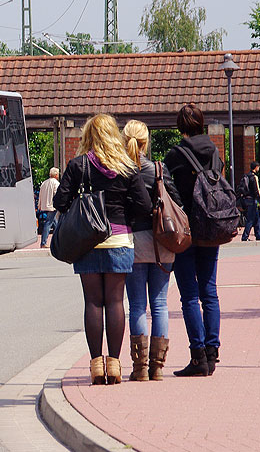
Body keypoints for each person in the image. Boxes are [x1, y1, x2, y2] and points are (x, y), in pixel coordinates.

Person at [53, 114, 151, 385]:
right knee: (116, 302)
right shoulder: (127, 166)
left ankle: (97, 365)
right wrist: (125, 217)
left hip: (86, 241)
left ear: (89, 136)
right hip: (119, 239)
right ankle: (115, 364)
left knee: (93, 302)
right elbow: (144, 206)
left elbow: (59, 201)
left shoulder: (78, 165)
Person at [164, 104, 223, 377]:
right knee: (209, 291)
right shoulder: (214, 150)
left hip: (185, 231)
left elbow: (168, 191)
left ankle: (198, 357)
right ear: (201, 123)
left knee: (189, 295)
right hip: (211, 228)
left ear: (180, 126)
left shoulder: (175, 155)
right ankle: (212, 352)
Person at [122, 120, 182, 382]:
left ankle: (140, 368)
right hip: (161, 243)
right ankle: (158, 367)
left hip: (133, 241)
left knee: (137, 305)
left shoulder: (120, 170)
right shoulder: (158, 169)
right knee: (159, 304)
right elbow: (176, 202)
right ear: (146, 142)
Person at [239, 162, 260, 242]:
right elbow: (256, 190)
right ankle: (245, 236)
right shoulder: (254, 177)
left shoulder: (246, 176)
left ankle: (258, 235)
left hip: (246, 199)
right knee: (250, 219)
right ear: (256, 167)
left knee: (256, 218)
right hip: (252, 200)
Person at [37, 167, 60, 248]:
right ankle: (43, 242)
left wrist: (39, 205)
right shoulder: (56, 183)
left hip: (45, 205)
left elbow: (40, 195)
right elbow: (57, 194)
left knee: (55, 223)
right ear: (56, 175)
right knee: (49, 223)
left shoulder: (44, 183)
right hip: (52, 206)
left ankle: (59, 240)